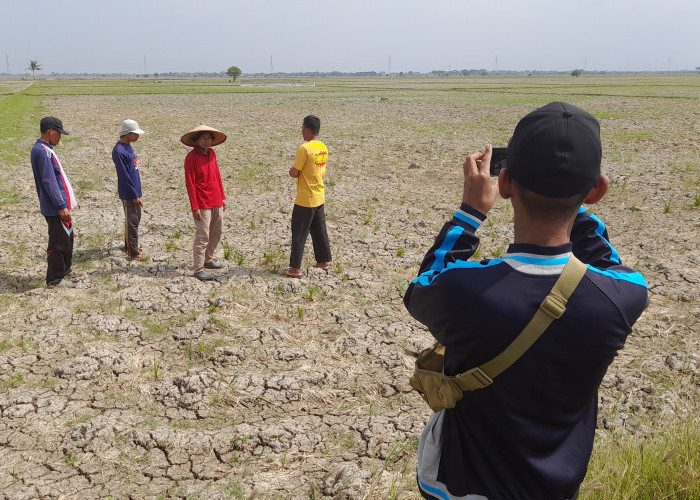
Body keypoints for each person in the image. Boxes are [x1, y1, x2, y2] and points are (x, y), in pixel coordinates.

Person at [403, 102, 649, 500]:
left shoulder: (464, 290)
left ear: (504, 183)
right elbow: (607, 261)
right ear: (597, 190)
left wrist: (469, 213)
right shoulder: (623, 296)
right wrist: (575, 204)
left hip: (461, 485)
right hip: (555, 488)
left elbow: (423, 285)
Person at [30, 117, 78, 287]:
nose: (60, 137)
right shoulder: (42, 151)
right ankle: (55, 279)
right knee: (58, 243)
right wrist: (61, 205)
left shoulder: (45, 148)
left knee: (67, 237)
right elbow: (49, 182)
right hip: (55, 208)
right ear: (50, 132)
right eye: (59, 134)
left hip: (58, 206)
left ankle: (65, 270)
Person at [284, 115, 332, 278]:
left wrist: (291, 171)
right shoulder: (323, 147)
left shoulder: (304, 149)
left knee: (299, 233)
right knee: (319, 230)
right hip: (319, 195)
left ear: (306, 130)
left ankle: (295, 268)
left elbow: (295, 172)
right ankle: (323, 261)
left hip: (305, 198)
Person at [182, 125, 227, 281]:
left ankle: (208, 260)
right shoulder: (191, 158)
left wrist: (222, 197)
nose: (206, 141)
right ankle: (198, 268)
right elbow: (190, 183)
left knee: (216, 231)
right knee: (203, 235)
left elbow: (217, 176)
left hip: (216, 200)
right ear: (196, 140)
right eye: (203, 138)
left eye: (209, 138)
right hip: (202, 203)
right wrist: (195, 207)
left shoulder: (212, 154)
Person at [112, 119, 146, 260]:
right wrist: (134, 195)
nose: (138, 137)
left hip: (135, 190)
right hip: (129, 193)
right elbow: (124, 176)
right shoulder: (119, 151)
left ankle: (129, 245)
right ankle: (133, 252)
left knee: (135, 219)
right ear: (128, 134)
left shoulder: (128, 146)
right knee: (132, 221)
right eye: (136, 134)